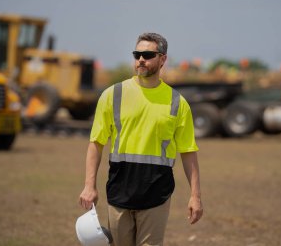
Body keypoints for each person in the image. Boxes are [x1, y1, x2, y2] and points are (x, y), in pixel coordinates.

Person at [79, 32, 203, 246]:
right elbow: (96, 143)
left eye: (147, 54)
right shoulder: (112, 95)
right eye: (137, 54)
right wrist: (89, 185)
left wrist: (195, 196)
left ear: (163, 59)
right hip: (119, 192)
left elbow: (188, 152)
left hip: (157, 194)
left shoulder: (177, 102)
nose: (141, 59)